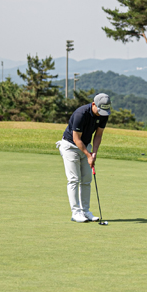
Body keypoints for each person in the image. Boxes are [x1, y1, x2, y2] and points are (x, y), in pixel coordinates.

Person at [56, 92, 111, 222]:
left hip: (86, 145)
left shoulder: (104, 114)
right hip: (70, 146)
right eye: (99, 109)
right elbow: (76, 138)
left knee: (86, 180)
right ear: (93, 104)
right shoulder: (81, 113)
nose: (101, 113)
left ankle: (85, 211)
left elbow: (98, 135)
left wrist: (94, 153)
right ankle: (76, 213)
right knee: (74, 179)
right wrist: (88, 155)